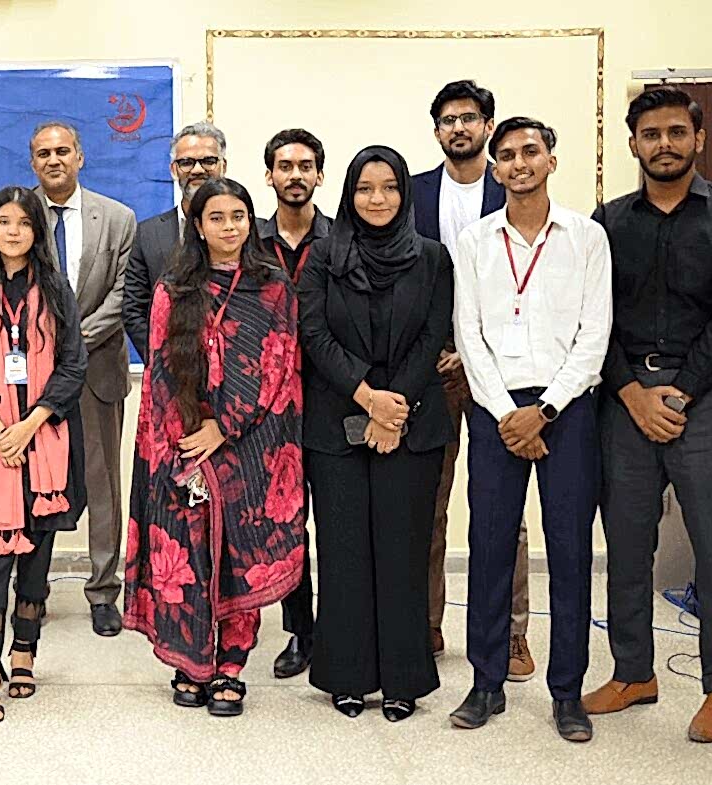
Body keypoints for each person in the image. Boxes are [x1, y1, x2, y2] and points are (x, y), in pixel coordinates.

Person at [584, 86, 712, 744]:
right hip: (626, 399)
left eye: (676, 132)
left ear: (699, 139)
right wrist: (633, 392)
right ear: (632, 143)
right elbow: (590, 316)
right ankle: (634, 670)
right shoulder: (605, 223)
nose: (664, 143)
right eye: (651, 133)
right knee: (628, 547)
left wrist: (682, 390)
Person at [445, 119, 612, 742]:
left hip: (567, 410)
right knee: (489, 550)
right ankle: (486, 683)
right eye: (506, 156)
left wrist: (544, 411)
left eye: (530, 152)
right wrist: (504, 412)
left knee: (569, 554)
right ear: (494, 168)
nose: (518, 164)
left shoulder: (587, 238)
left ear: (551, 159)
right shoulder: (474, 241)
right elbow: (470, 333)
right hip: (495, 411)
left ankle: (566, 692)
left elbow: (595, 336)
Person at [124, 178, 305, 717]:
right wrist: (186, 440)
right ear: (198, 228)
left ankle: (231, 666)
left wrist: (223, 428)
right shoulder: (173, 290)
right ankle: (191, 663)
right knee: (190, 553)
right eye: (217, 218)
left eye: (239, 216)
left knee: (237, 558)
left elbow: (278, 365)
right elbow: (160, 368)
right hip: (184, 445)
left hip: (251, 445)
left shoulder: (273, 287)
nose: (230, 227)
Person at [300, 146, 453, 722]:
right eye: (365, 188)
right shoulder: (322, 256)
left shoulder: (433, 259)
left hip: (411, 429)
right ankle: (345, 674)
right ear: (348, 195)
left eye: (389, 187)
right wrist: (367, 397)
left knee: (403, 552)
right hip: (336, 425)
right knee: (342, 552)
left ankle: (402, 679)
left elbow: (434, 333)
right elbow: (313, 334)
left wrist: (396, 410)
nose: (378, 199)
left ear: (404, 193)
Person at [0, 186, 88, 722]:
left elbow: (73, 366)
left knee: (36, 555)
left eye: (23, 223)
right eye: (3, 221)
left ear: (37, 230)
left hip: (46, 436)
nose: (12, 231)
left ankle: (24, 652)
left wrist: (29, 424)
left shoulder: (56, 290)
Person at [411, 79, 530, 676]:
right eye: (448, 119)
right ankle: (425, 625)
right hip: (430, 372)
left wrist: (476, 350)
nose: (459, 128)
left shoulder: (513, 189)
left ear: (488, 125)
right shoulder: (410, 194)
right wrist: (438, 349)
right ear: (436, 131)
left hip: (498, 373)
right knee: (426, 505)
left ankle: (511, 633)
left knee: (501, 507)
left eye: (470, 118)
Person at [29, 121, 136, 637]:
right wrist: (43, 349)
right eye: (44, 153)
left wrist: (71, 343)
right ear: (34, 163)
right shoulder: (15, 216)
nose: (55, 160)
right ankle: (33, 589)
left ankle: (102, 590)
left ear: (81, 156)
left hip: (96, 370)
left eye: (63, 151)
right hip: (29, 378)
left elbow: (123, 293)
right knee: (34, 483)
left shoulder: (117, 218)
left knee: (102, 483)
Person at [259, 128, 332, 680]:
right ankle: (300, 632)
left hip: (331, 399)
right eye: (285, 166)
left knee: (338, 522)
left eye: (305, 165)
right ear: (270, 177)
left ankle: (340, 630)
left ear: (320, 176)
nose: (295, 175)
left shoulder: (344, 239)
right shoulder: (250, 242)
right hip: (267, 409)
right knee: (286, 524)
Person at [123, 121, 228, 355]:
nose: (198, 170)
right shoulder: (148, 234)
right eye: (186, 162)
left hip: (236, 372)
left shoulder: (247, 229)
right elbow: (133, 309)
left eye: (208, 161)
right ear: (173, 170)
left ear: (223, 166)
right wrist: (162, 360)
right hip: (171, 369)